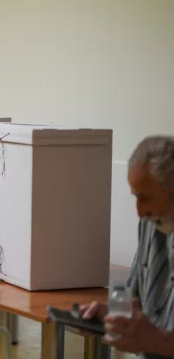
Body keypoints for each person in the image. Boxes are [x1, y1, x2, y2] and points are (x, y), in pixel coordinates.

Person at [80, 136, 174, 358]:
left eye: (144, 198)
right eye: (135, 197)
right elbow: (135, 299)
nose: (139, 211)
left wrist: (159, 342)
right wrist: (112, 314)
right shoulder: (151, 224)